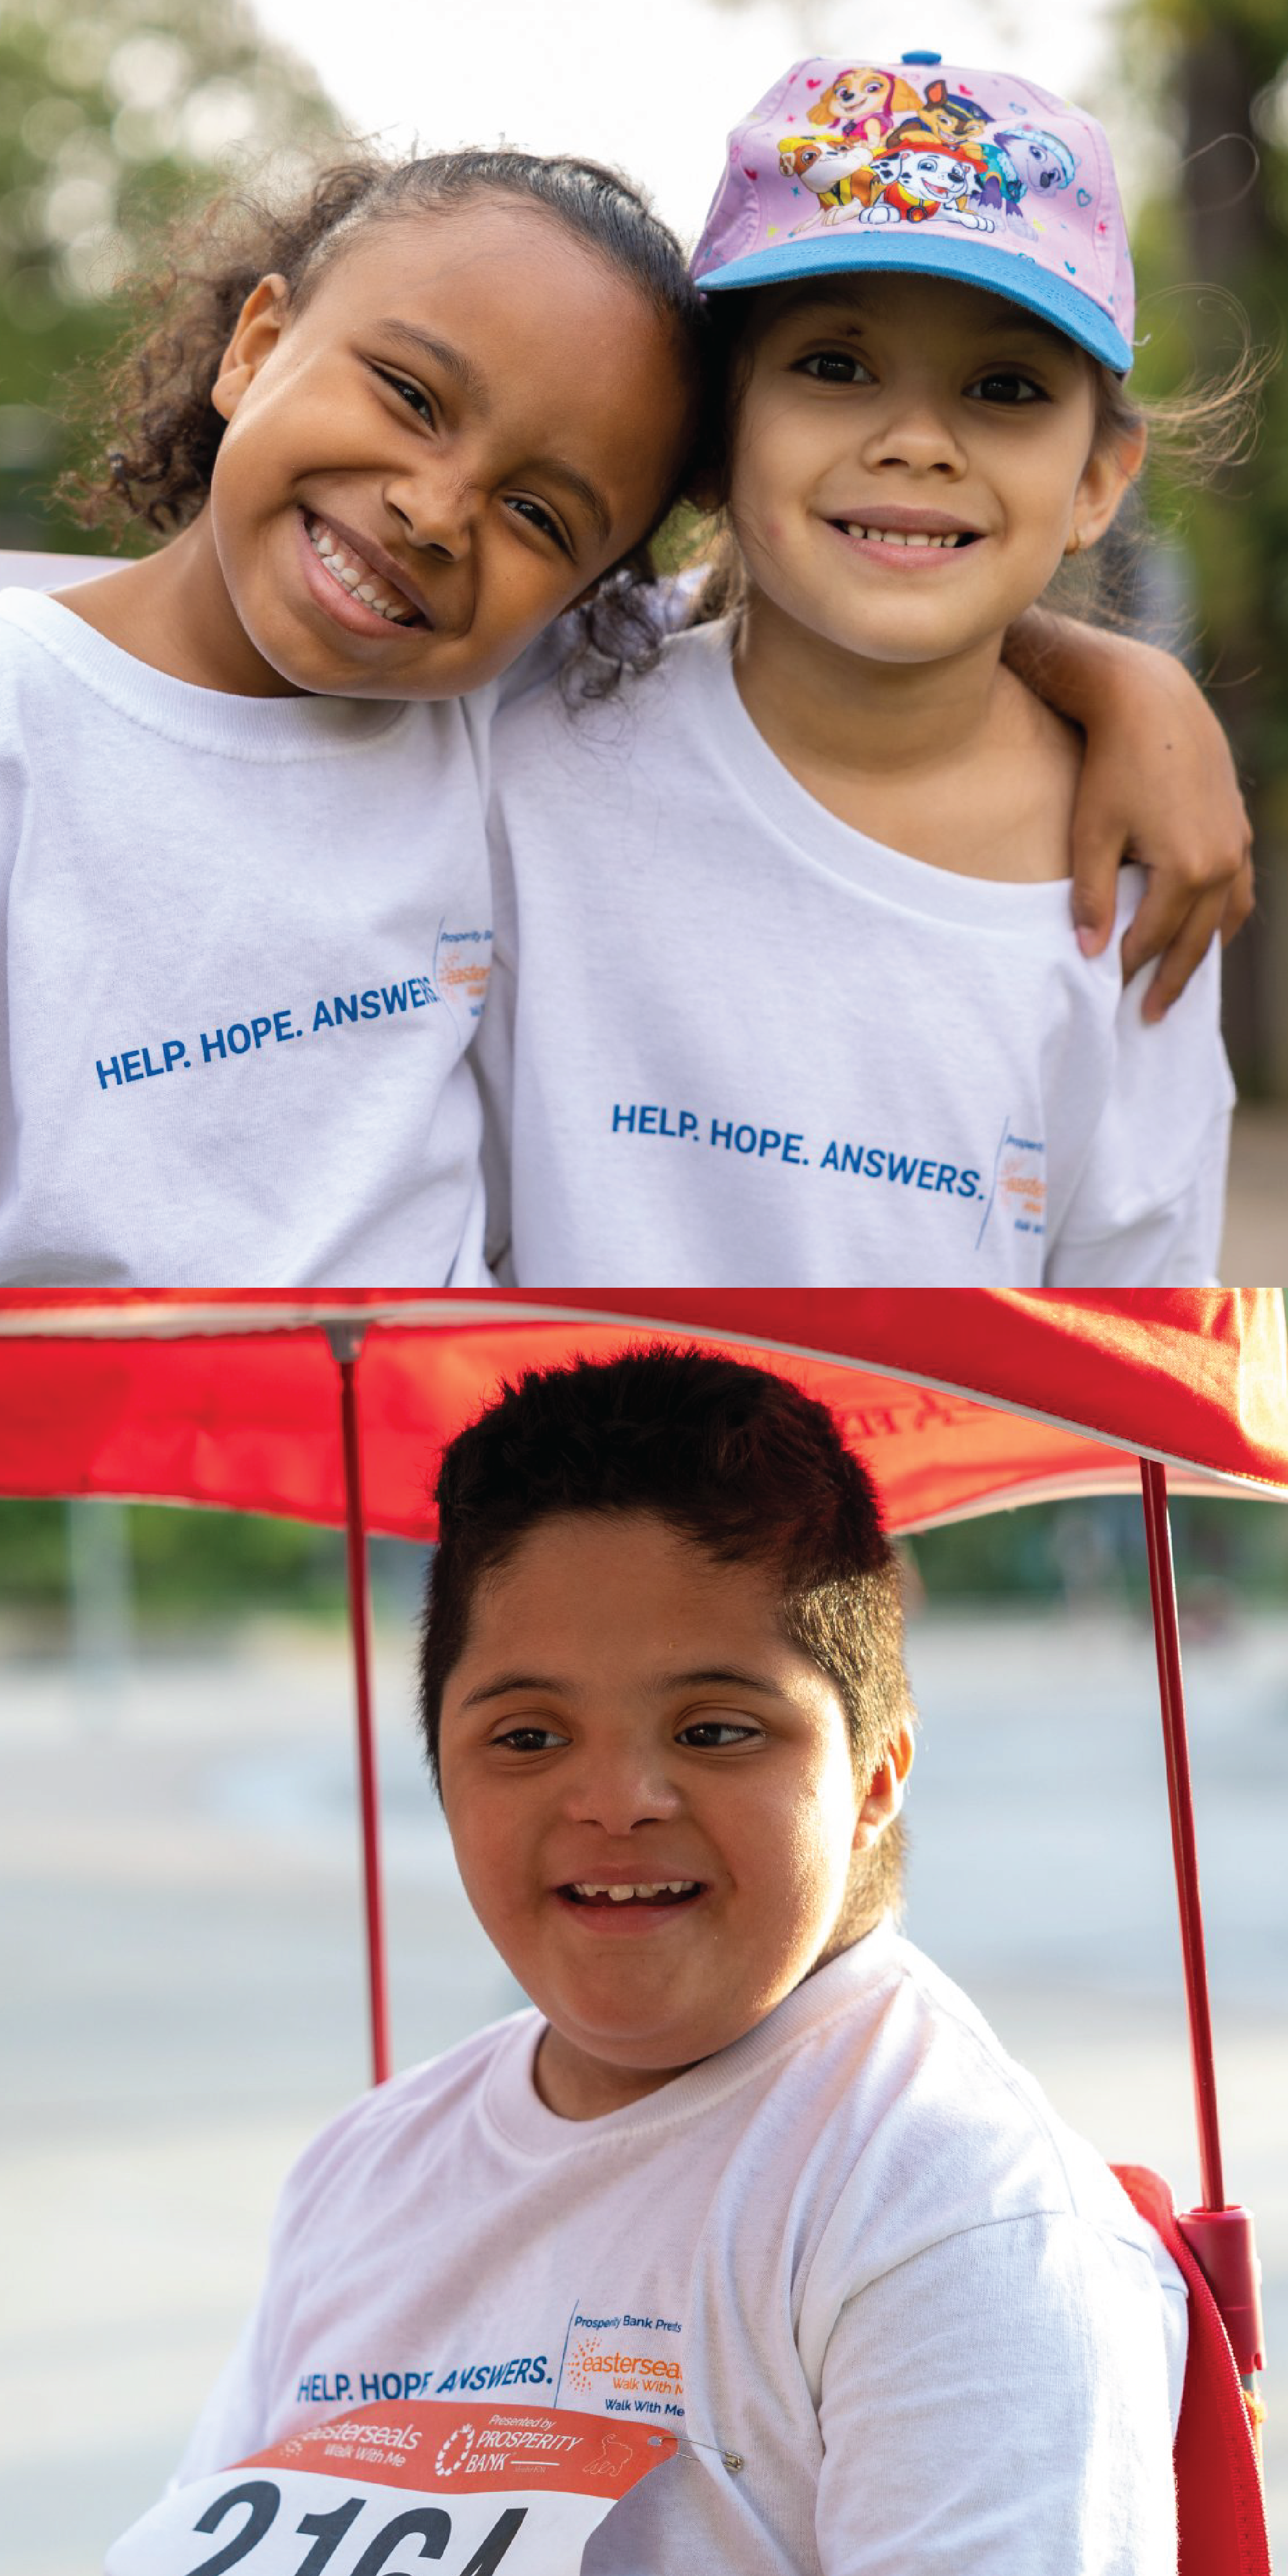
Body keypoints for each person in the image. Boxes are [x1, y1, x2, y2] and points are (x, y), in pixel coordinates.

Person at [163, 1345, 1186, 2572]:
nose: (617, 1799)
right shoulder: (359, 2173)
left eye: (714, 1728)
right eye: (528, 1734)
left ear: (873, 1775)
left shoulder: (955, 2216)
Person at [477, 53, 1250, 1286]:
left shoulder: (1138, 882)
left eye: (1003, 387)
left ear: (1099, 478)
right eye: (834, 365)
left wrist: (1140, 688)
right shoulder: (521, 742)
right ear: (715, 430)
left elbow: (1129, 1356)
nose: (914, 443)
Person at [0, 148, 700, 1286]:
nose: (436, 513)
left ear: (585, 598)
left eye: (537, 513)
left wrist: (1085, 670)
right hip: (87, 1440)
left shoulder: (498, 706)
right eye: (412, 397)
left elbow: (830, 611)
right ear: (257, 347)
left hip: (409, 1436)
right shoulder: (21, 720)